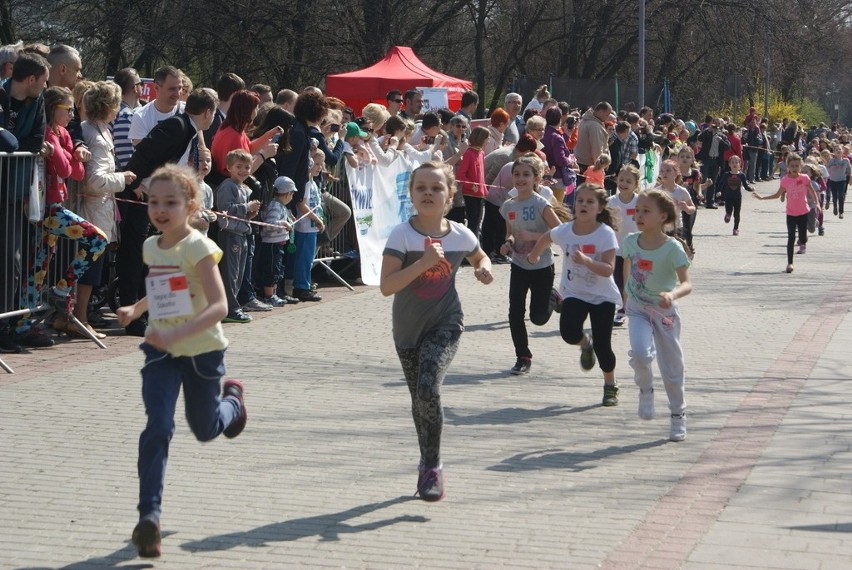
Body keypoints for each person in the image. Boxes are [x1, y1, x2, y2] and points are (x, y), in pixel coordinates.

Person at [116, 165, 248, 559]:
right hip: (159, 352)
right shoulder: (151, 246)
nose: (160, 209)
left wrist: (178, 333)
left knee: (205, 429)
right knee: (158, 426)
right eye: (154, 201)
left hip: (202, 351)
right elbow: (163, 289)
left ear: (190, 205)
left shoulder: (198, 246)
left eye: (170, 202)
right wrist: (136, 308)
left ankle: (234, 402)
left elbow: (220, 305)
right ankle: (149, 519)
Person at [380, 161, 493, 501]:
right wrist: (423, 263)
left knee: (429, 386)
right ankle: (426, 460)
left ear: (450, 195)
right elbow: (387, 286)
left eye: (437, 187)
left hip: (446, 323)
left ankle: (433, 466)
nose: (428, 192)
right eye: (421, 188)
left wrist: (484, 270)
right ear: (412, 194)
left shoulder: (461, 234)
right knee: (420, 399)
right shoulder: (402, 234)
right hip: (408, 330)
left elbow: (480, 257)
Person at [16, 86, 105, 346]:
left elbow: (76, 172)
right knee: (96, 238)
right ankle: (60, 291)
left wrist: (67, 153)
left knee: (39, 268)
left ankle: (26, 325)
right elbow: (67, 167)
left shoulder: (63, 133)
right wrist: (67, 154)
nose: (71, 114)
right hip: (45, 209)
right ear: (52, 108)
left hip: (54, 206)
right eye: (67, 109)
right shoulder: (47, 132)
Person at [527, 183, 622, 406]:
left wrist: (588, 261)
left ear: (599, 208)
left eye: (590, 202)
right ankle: (584, 344)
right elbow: (546, 237)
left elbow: (609, 269)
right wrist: (533, 256)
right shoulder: (566, 230)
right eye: (580, 200)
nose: (584, 205)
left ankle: (610, 385)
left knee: (604, 346)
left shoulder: (605, 234)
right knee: (569, 332)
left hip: (602, 297)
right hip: (574, 293)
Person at [622, 189, 692, 441]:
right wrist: (624, 298)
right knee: (640, 354)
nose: (639, 215)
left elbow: (687, 284)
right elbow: (626, 271)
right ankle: (645, 390)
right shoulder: (630, 241)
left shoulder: (672, 248)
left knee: (672, 367)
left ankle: (677, 415)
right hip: (638, 309)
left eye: (646, 211)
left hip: (664, 313)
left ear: (663, 217)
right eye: (637, 210)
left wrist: (672, 295)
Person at [76, 81, 137, 336]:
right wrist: (123, 179)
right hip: (93, 207)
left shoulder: (100, 130)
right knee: (90, 265)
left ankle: (81, 315)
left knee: (94, 265)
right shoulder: (95, 135)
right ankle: (80, 316)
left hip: (100, 206)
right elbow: (96, 180)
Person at [498, 155, 561, 375]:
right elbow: (511, 233)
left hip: (542, 265)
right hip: (518, 265)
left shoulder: (540, 203)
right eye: (517, 174)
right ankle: (523, 356)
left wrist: (534, 236)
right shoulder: (508, 206)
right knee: (515, 311)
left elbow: (559, 232)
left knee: (538, 317)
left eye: (526, 174)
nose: (520, 179)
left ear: (536, 178)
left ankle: (553, 296)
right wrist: (508, 243)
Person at [753, 153, 820, 273]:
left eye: (797, 166)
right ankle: (790, 263)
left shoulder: (805, 178)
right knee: (791, 237)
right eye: (792, 166)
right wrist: (762, 198)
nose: (794, 168)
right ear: (788, 166)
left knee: (803, 237)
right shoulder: (785, 180)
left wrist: (817, 204)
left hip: (803, 212)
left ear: (800, 166)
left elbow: (812, 191)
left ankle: (803, 240)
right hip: (791, 213)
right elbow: (778, 195)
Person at [216, 149, 262, 322]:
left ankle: (232, 306)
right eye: (239, 167)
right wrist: (246, 207)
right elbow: (224, 209)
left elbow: (241, 212)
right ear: (228, 168)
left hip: (242, 233)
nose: (243, 171)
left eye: (247, 167)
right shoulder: (227, 186)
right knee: (231, 273)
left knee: (239, 273)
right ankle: (229, 308)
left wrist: (250, 214)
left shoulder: (245, 188)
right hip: (230, 234)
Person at [290, 147, 327, 301]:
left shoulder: (312, 182)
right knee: (304, 258)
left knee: (308, 258)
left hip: (311, 227)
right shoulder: (305, 182)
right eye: (316, 164)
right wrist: (316, 219)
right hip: (305, 226)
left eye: (321, 164)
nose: (319, 167)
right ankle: (301, 287)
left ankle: (305, 283)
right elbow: (301, 204)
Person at [607, 165, 640, 327]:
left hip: (637, 250)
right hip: (617, 250)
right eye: (621, 180)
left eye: (628, 181)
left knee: (635, 280)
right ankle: (622, 309)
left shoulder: (640, 201)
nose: (624, 183)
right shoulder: (610, 202)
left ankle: (635, 308)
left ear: (636, 184)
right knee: (619, 280)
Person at [256, 176, 295, 306]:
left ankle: (274, 293)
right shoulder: (275, 206)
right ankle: (269, 296)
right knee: (271, 270)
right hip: (271, 245)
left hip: (278, 244)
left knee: (278, 269)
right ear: (288, 194)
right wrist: (283, 223)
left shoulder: (281, 206)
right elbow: (269, 223)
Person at [456, 126, 489, 239]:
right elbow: (461, 174)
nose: (487, 140)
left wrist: (484, 189)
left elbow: (481, 175)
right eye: (486, 138)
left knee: (477, 221)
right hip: (470, 193)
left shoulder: (481, 153)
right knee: (472, 222)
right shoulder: (469, 153)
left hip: (479, 193)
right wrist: (470, 185)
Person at [715, 155, 753, 236]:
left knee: (737, 214)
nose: (734, 164)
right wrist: (719, 191)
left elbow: (746, 186)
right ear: (729, 164)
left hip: (738, 197)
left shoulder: (741, 175)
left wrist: (751, 189)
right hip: (728, 196)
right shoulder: (726, 174)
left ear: (740, 164)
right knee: (729, 209)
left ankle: (736, 228)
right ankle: (728, 214)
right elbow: (721, 184)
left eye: (737, 162)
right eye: (732, 162)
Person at [826, 145, 851, 218]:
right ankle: (835, 206)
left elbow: (849, 169)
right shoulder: (832, 160)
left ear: (842, 151)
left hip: (842, 180)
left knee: (841, 196)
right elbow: (827, 168)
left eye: (839, 149)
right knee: (834, 197)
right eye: (836, 150)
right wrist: (832, 167)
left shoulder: (846, 160)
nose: (838, 151)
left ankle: (841, 212)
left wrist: (850, 177)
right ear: (834, 153)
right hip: (833, 180)